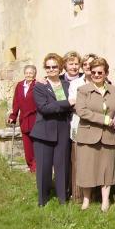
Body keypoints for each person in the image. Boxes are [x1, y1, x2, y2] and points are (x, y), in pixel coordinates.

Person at [75, 58, 115, 212]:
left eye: (100, 72)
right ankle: (86, 201)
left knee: (107, 169)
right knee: (87, 169)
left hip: (107, 136)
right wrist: (104, 119)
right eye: (93, 72)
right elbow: (81, 111)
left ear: (106, 73)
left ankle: (105, 202)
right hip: (87, 135)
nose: (96, 75)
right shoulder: (83, 90)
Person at [30, 53, 73, 206]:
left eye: (54, 66)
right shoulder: (40, 86)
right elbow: (44, 108)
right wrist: (67, 103)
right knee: (44, 168)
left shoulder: (67, 85)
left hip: (63, 130)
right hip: (43, 131)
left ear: (60, 68)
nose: (51, 69)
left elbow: (83, 75)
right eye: (48, 67)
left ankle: (63, 198)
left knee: (62, 166)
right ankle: (43, 199)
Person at [67, 53, 98, 203]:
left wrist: (85, 106)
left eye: (91, 64)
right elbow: (73, 104)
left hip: (97, 127)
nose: (87, 67)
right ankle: (78, 196)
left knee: (95, 161)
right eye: (85, 64)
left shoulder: (101, 81)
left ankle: (94, 195)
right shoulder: (75, 84)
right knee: (78, 162)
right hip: (78, 126)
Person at [8, 65, 38, 172]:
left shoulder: (37, 85)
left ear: (35, 74)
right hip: (24, 119)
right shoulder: (20, 86)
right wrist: (13, 116)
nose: (28, 75)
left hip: (36, 118)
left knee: (36, 143)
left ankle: (36, 166)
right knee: (27, 144)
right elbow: (16, 102)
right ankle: (31, 166)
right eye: (27, 73)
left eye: (31, 73)